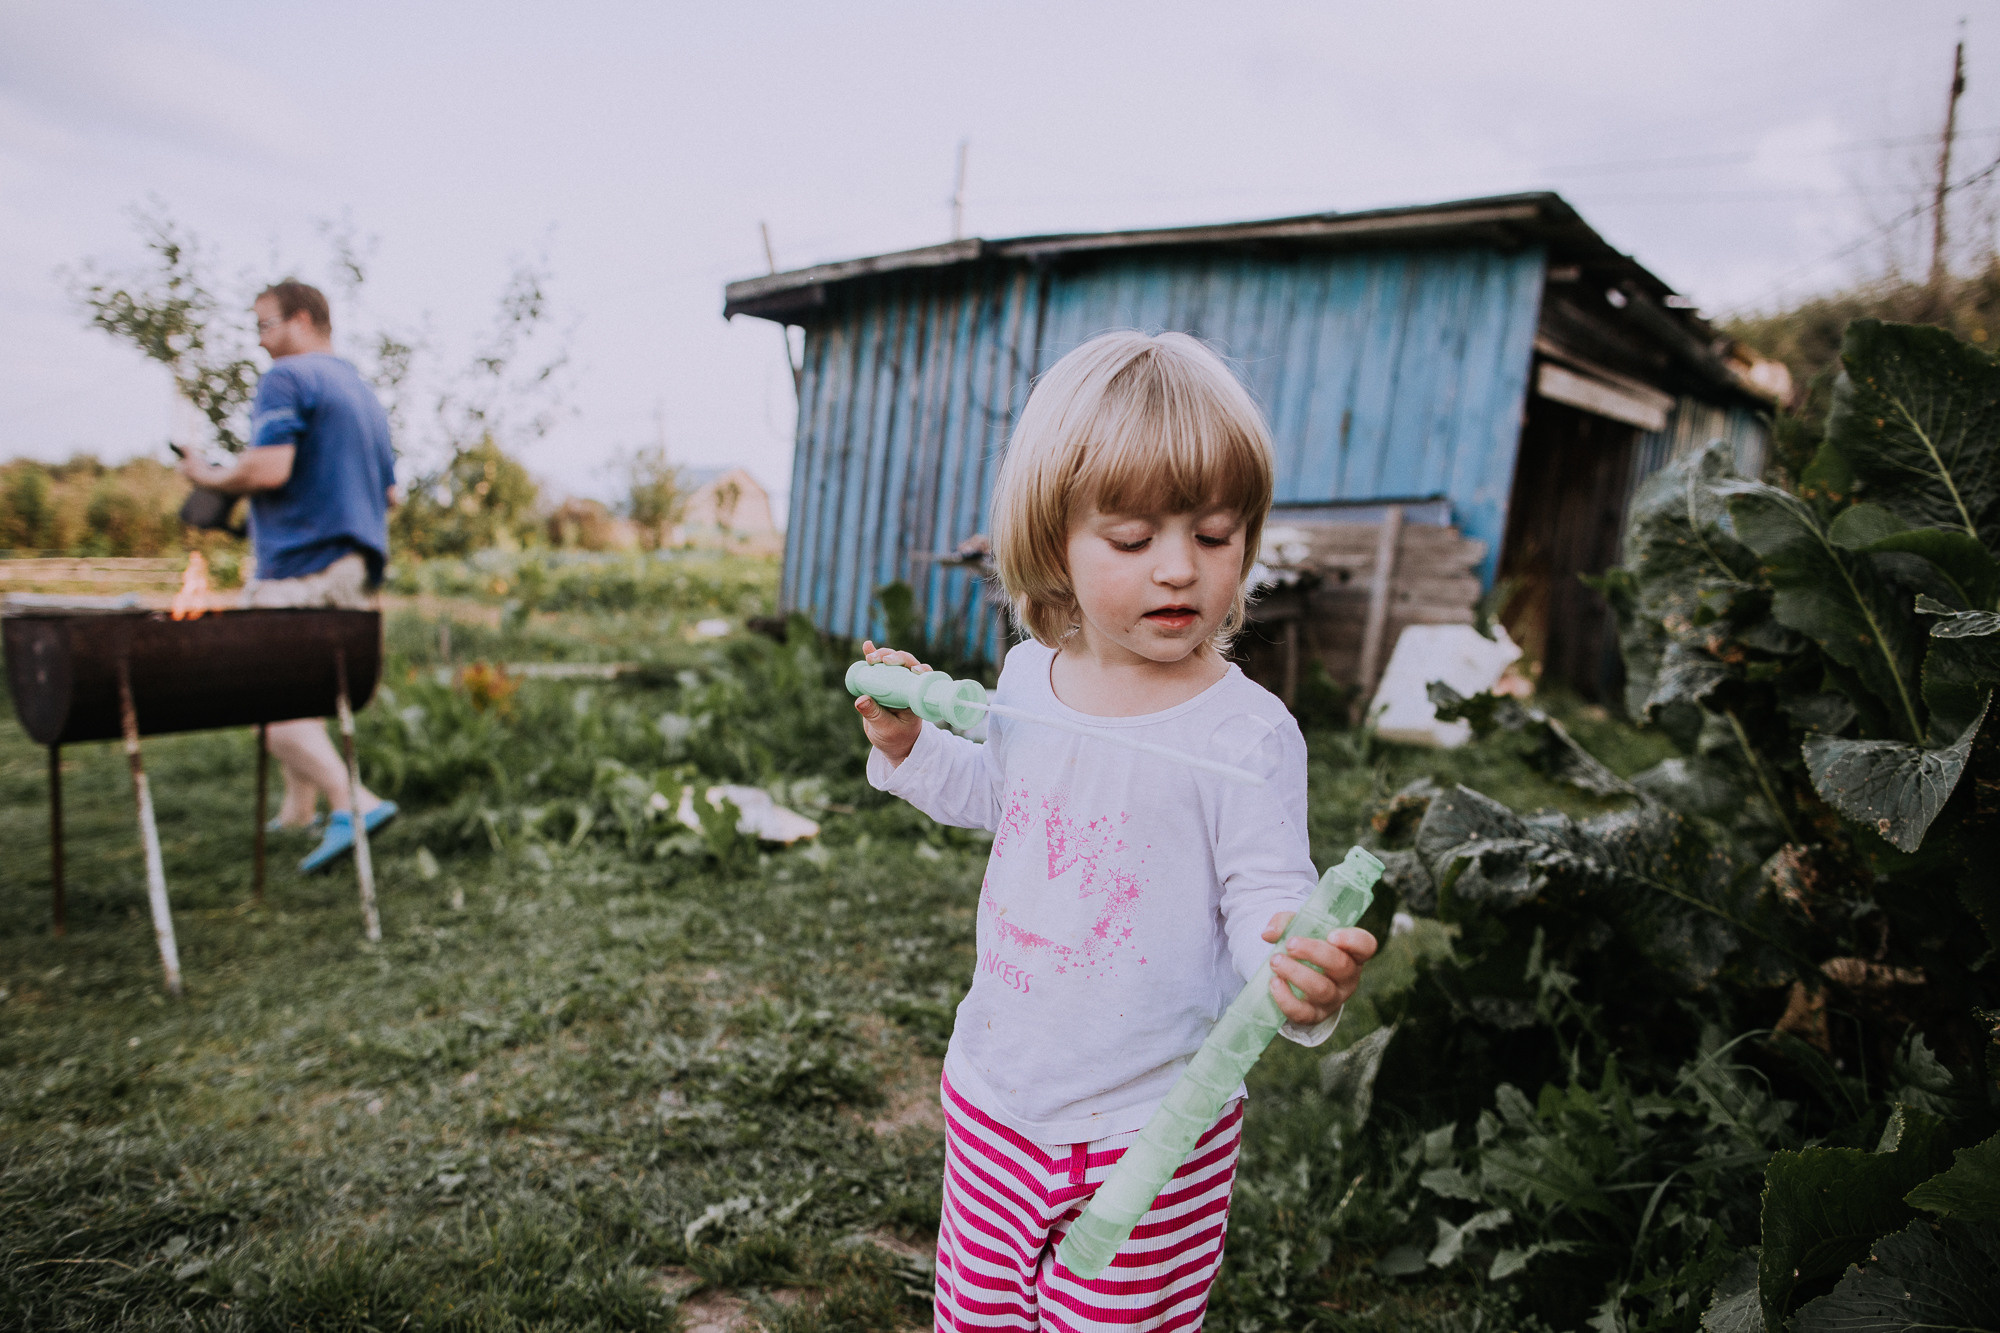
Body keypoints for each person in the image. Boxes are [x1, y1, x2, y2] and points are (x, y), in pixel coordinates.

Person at [856, 331, 1379, 1331]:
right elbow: (1000, 794)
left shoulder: (1244, 734)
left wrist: (1293, 965)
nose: (1178, 569)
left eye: (1215, 535)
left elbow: (1265, 901)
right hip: (999, 1096)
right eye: (1133, 540)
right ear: (1054, 541)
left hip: (1153, 1130)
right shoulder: (1025, 679)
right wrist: (910, 745)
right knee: (977, 1317)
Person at [176, 279, 399, 873]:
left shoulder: (287, 378)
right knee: (301, 693)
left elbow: (270, 469)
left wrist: (208, 476)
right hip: (354, 566)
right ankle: (299, 811)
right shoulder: (362, 391)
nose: (260, 340)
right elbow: (390, 495)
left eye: (265, 325)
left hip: (300, 564)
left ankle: (354, 803)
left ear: (302, 319)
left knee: (264, 697)